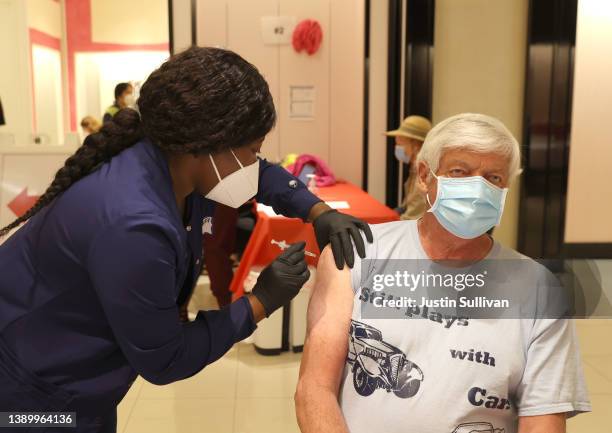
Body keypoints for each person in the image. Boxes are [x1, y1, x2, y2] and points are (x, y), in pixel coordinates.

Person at [0, 47, 372, 432]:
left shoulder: (179, 163)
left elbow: (262, 175)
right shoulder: (134, 226)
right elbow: (166, 359)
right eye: (251, 151)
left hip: (75, 380)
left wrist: (317, 211)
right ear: (207, 145)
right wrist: (259, 303)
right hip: (29, 394)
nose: (254, 164)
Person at [296, 113, 591, 433]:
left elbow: (543, 420)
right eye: (459, 172)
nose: (476, 189)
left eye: (493, 178)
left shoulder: (540, 290)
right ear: (425, 175)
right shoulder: (360, 253)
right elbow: (314, 389)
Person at [385, 115, 432, 220]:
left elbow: (412, 217)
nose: (397, 148)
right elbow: (406, 206)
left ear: (416, 144)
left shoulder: (424, 173)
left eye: (400, 143)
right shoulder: (415, 168)